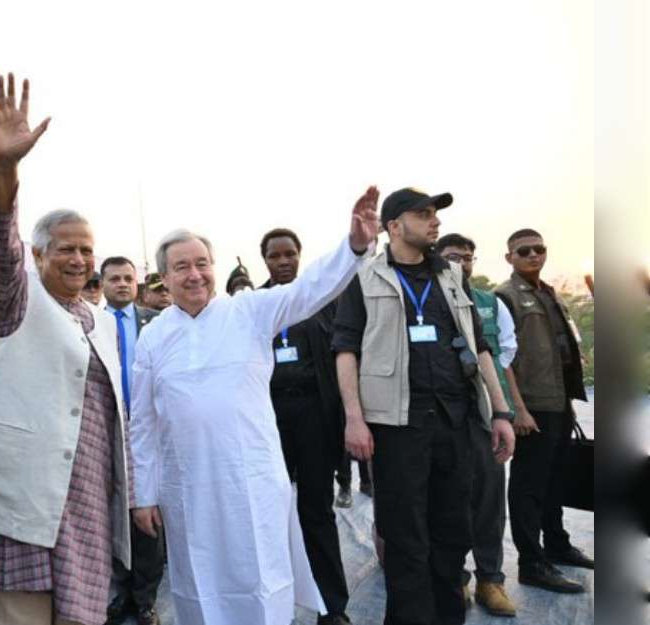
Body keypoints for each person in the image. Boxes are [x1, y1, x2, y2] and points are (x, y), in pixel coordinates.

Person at [129, 186, 380, 625]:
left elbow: (309, 289)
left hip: (251, 479)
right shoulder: (152, 336)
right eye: (182, 267)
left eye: (202, 264)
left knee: (260, 577)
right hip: (186, 485)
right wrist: (144, 494)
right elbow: (144, 423)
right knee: (197, 580)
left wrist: (354, 246)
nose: (195, 275)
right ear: (164, 278)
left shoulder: (247, 311)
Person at [0, 73, 133, 625]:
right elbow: (1, 245)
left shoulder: (100, 321)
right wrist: (4, 168)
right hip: (22, 505)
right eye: (66, 249)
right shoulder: (17, 299)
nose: (79, 259)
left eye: (87, 250)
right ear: (38, 255)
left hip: (84, 509)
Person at [333, 187, 516, 625]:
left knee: (453, 534)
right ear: (394, 226)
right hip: (397, 429)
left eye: (435, 214)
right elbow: (345, 351)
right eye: (423, 214)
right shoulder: (364, 278)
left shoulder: (452, 278)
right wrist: (354, 420)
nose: (435, 222)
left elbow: (481, 347)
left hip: (455, 424)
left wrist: (501, 411)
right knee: (405, 540)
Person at [258, 227, 352, 625]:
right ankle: (268, 606)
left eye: (289, 254)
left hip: (316, 417)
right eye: (274, 256)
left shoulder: (323, 300)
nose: (282, 262)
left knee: (317, 511)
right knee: (267, 514)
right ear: (264, 259)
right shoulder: (254, 304)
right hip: (268, 421)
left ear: (300, 255)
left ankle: (331, 607)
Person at [495, 228, 592, 594]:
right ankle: (532, 563)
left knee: (556, 479)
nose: (533, 255)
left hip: (558, 400)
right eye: (524, 251)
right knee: (528, 485)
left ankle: (557, 544)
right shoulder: (506, 297)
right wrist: (516, 409)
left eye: (539, 249)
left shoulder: (548, 292)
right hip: (532, 405)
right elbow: (504, 359)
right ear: (510, 258)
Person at [436, 233, 518, 616]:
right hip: (440, 417)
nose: (462, 264)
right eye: (454, 257)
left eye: (468, 258)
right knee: (447, 503)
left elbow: (503, 354)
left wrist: (505, 412)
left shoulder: (489, 302)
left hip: (483, 415)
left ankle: (491, 580)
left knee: (488, 500)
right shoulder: (426, 297)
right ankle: (456, 579)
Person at [100, 256, 162, 625]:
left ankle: (145, 598)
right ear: (103, 283)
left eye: (128, 278)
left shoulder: (155, 322)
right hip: (107, 428)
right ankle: (118, 591)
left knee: (147, 511)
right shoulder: (90, 323)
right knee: (112, 513)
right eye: (114, 279)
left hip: (148, 426)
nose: (122, 284)